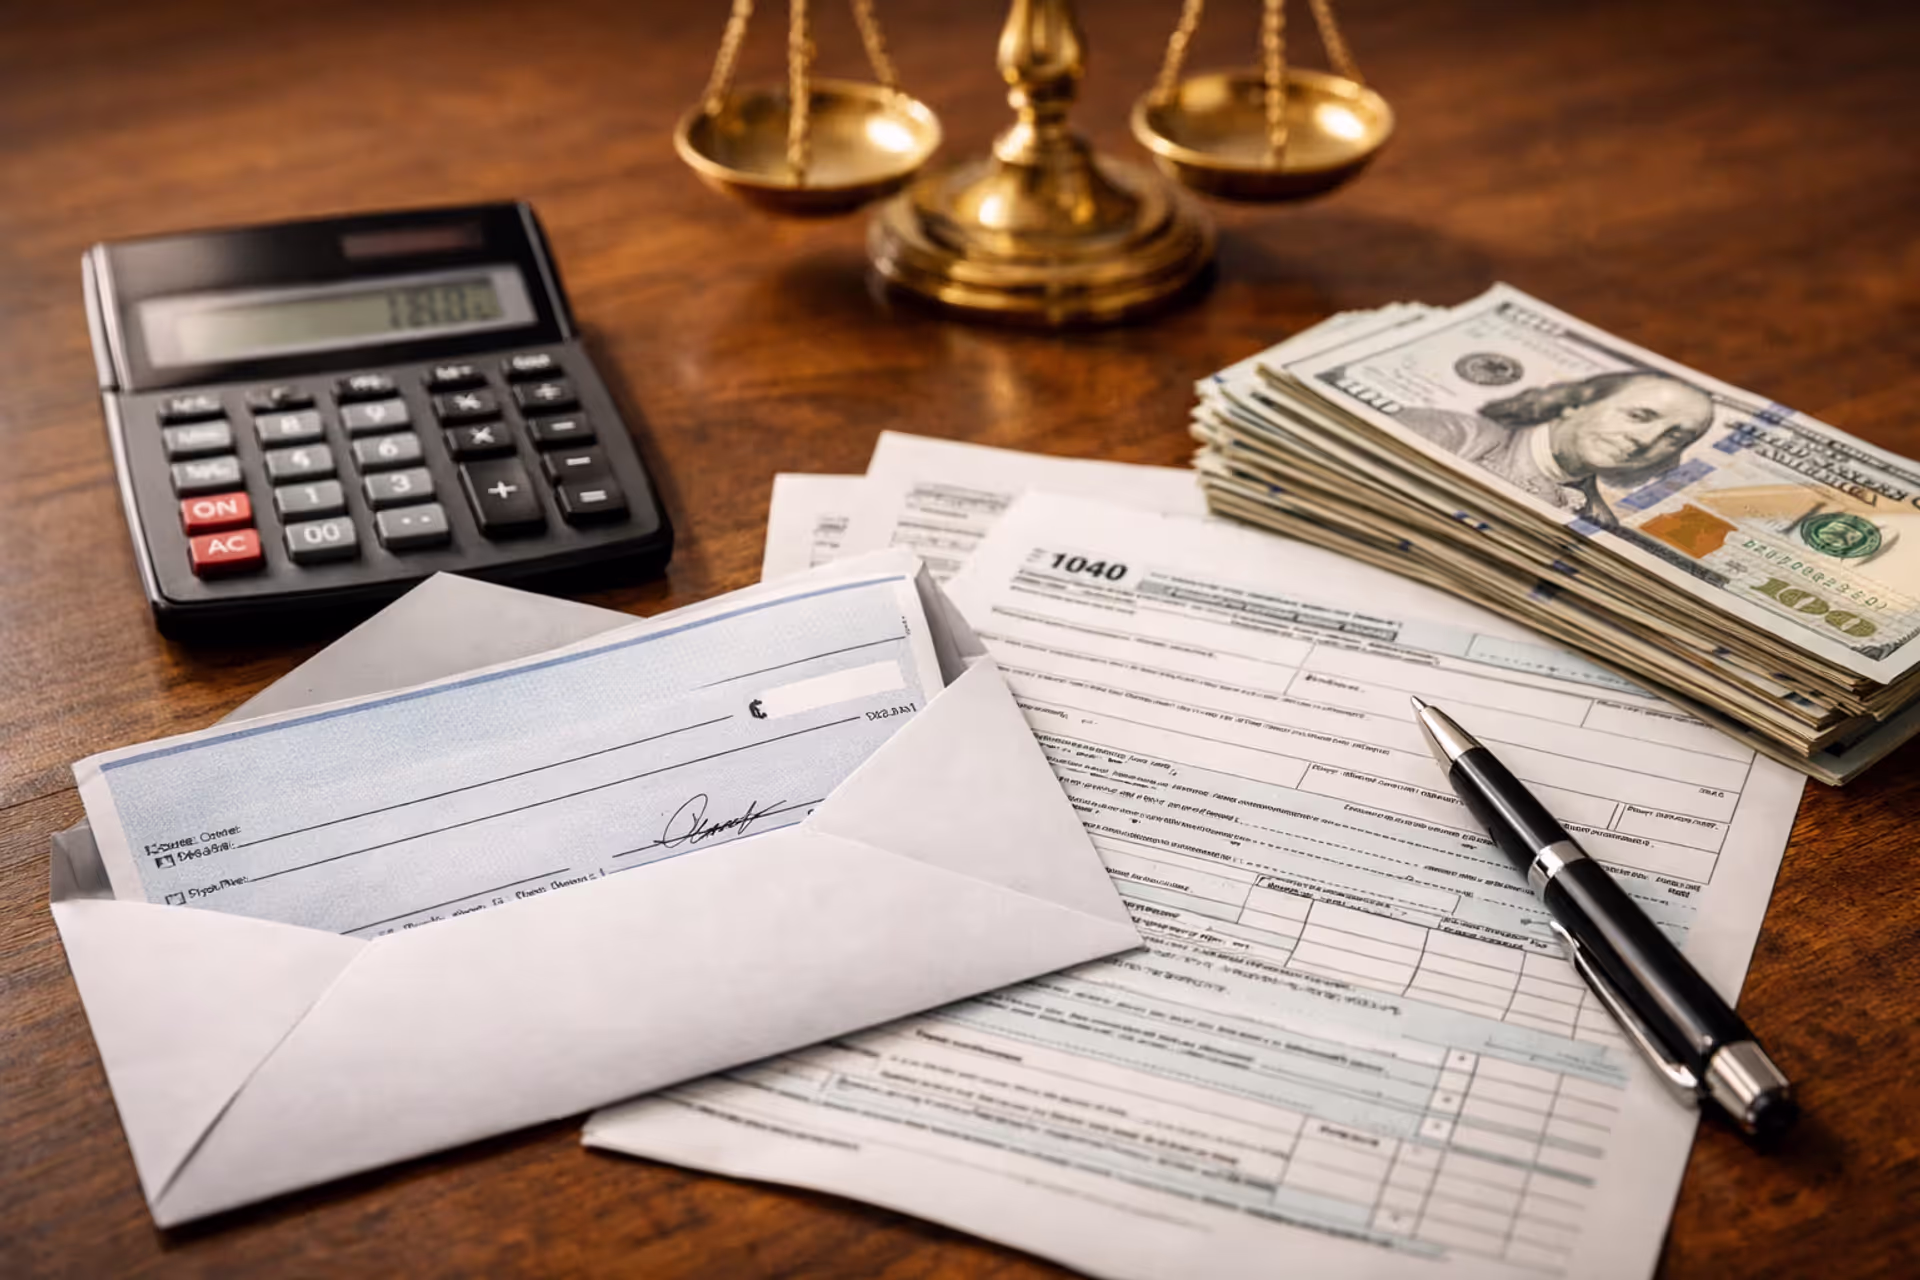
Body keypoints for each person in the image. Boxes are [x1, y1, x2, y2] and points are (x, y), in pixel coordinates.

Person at [1396, 371, 1715, 525]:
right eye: (1639, 416)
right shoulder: (1453, 434)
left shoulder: (1599, 522)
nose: (1645, 440)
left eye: (1673, 437)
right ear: (1576, 404)